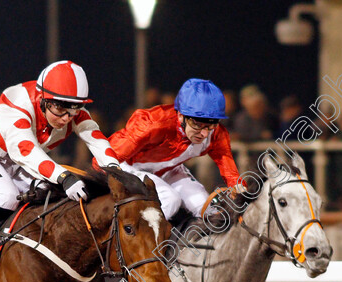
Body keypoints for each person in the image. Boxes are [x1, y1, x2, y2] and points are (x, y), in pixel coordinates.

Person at [0, 60, 120, 276]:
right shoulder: (17, 104)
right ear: (42, 98)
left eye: (74, 109)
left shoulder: (68, 109)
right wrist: (64, 176)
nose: (66, 117)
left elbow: (96, 138)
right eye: (59, 108)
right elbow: (25, 150)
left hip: (24, 161)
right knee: (6, 197)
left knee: (55, 198)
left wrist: (117, 172)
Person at [104, 78, 244, 224]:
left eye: (211, 125)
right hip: (130, 166)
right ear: (180, 116)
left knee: (206, 207)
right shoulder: (153, 124)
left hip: (169, 170)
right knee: (170, 199)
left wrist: (241, 194)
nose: (204, 134)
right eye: (197, 124)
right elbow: (105, 157)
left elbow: (232, 177)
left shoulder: (216, 134)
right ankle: (134, 240)